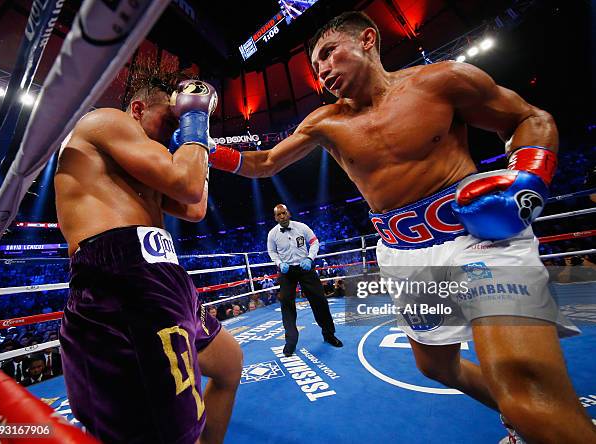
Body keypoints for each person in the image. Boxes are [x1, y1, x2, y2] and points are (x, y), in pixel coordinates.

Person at [206, 11, 596, 443]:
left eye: (329, 54)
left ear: (368, 39)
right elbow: (263, 163)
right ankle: (529, 426)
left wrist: (527, 183)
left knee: (527, 382)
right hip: (405, 253)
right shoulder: (325, 122)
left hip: (477, 238)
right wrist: (203, 146)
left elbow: (530, 118)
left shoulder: (441, 81)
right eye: (316, 68)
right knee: (435, 366)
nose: (323, 71)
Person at [54, 73, 242, 444]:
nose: (177, 128)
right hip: (122, 275)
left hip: (166, 276)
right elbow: (189, 185)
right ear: (138, 109)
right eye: (171, 119)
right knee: (165, 432)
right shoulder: (107, 121)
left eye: (182, 119)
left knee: (229, 364)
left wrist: (195, 137)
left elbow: (196, 206)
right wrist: (194, 120)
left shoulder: (152, 160)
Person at [267, 204, 342, 357]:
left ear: (288, 213)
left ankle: (329, 335)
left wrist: (310, 258)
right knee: (286, 304)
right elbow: (272, 252)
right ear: (275, 218)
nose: (282, 216)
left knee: (320, 300)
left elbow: (314, 242)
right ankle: (290, 342)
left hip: (305, 267)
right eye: (278, 214)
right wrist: (279, 263)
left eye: (284, 213)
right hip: (287, 271)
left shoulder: (302, 227)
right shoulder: (272, 234)